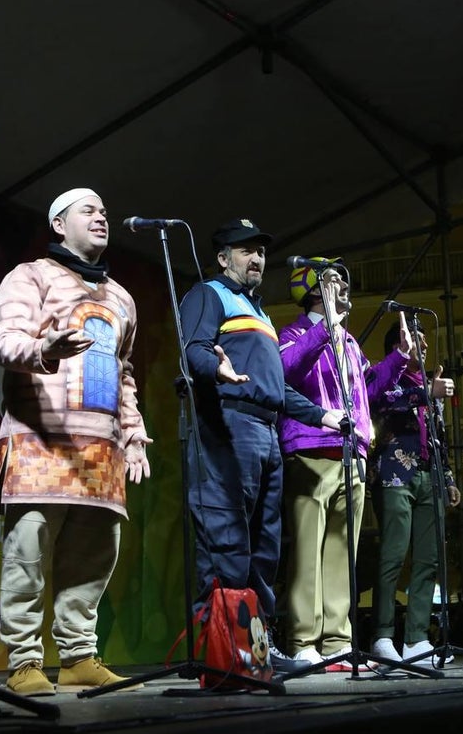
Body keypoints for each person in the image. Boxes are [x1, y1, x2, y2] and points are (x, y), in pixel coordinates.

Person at [0, 188, 152, 696]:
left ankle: (80, 655)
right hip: (42, 440)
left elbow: (124, 374)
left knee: (94, 555)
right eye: (89, 210)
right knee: (28, 552)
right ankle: (23, 660)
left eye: (105, 210)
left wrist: (135, 435)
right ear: (60, 224)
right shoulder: (30, 275)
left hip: (102, 449)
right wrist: (46, 348)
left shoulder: (122, 298)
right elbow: (5, 341)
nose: (102, 216)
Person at [178, 219, 344, 674]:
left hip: (266, 431)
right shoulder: (208, 294)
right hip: (228, 425)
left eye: (261, 252)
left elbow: (276, 387)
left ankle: (257, 649)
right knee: (225, 539)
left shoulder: (261, 314)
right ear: (222, 257)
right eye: (246, 250)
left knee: (264, 545)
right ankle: (222, 648)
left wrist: (321, 415)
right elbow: (193, 350)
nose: (257, 259)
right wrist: (217, 369)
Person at [277, 260, 413, 671]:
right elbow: (286, 370)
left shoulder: (350, 343)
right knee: (307, 551)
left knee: (341, 552)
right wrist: (326, 328)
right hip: (311, 450)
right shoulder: (294, 332)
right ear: (311, 289)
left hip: (352, 453)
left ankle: (337, 641)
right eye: (332, 280)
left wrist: (399, 359)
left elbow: (367, 390)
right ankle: (303, 642)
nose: (342, 285)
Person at [368, 321, 460, 664]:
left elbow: (440, 436)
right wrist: (427, 393)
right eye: (413, 342)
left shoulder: (429, 384)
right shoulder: (386, 376)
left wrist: (448, 477)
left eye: (423, 342)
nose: (422, 347)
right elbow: (379, 399)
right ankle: (382, 636)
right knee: (392, 556)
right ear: (398, 346)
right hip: (394, 475)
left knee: (428, 559)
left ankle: (417, 640)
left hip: (429, 476)